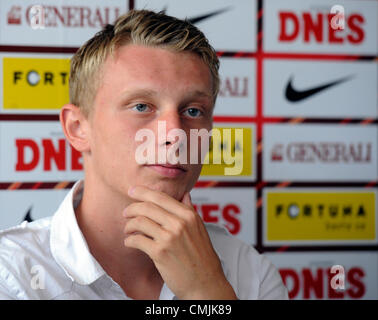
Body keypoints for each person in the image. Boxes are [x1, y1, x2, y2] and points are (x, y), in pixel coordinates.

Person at [0, 10, 288, 300]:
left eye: (193, 111)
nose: (174, 134)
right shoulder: (11, 274)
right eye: (141, 106)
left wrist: (207, 291)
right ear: (77, 128)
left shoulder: (250, 272)